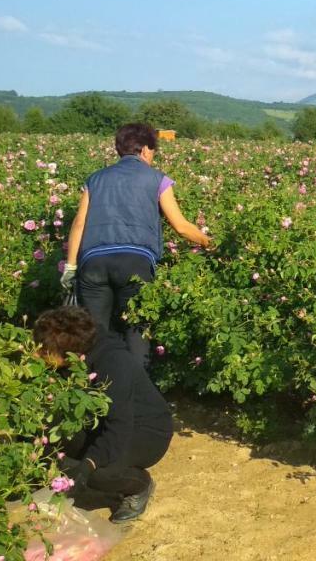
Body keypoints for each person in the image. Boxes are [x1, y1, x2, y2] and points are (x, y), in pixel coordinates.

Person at [61, 123, 212, 367]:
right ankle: (137, 392)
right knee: (136, 331)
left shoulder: (95, 179)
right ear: (144, 150)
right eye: (153, 151)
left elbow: (79, 223)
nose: (153, 157)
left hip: (93, 262)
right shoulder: (157, 179)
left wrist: (70, 266)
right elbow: (181, 226)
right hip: (135, 262)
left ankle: (93, 390)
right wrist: (209, 243)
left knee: (94, 334)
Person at [34, 305, 173, 523]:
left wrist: (88, 466)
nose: (36, 354)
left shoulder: (114, 363)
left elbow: (118, 427)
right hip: (104, 422)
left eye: (43, 351)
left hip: (145, 431)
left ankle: (139, 485)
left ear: (67, 351)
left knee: (100, 474)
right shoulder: (79, 353)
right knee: (52, 435)